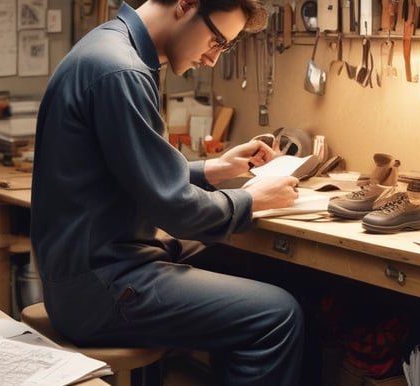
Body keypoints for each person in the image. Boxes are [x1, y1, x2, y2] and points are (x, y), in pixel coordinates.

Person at [30, 0, 305, 384]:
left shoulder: (108, 46)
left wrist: (215, 168)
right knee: (276, 315)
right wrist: (253, 198)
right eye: (215, 40)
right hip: (99, 287)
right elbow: (175, 210)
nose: (212, 60)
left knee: (243, 268)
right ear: (185, 4)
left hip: (86, 272)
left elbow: (129, 172)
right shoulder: (120, 69)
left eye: (222, 48)